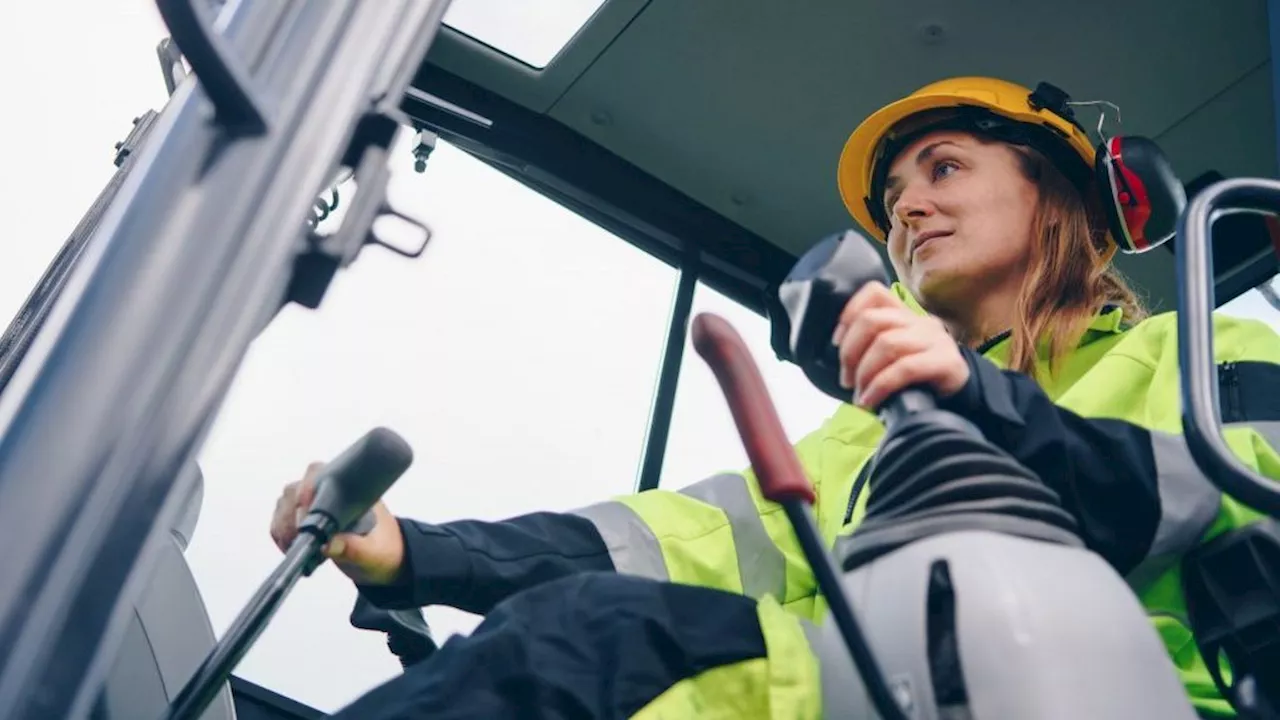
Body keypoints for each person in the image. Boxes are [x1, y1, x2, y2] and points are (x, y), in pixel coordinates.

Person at [269, 76, 1280, 718]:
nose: (909, 209)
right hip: (899, 687)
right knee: (580, 640)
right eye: (892, 207)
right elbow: (674, 541)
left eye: (944, 168)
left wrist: (976, 403)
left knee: (606, 648)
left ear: (1060, 195)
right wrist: (426, 554)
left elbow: (1215, 504)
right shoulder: (870, 438)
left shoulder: (1201, 350)